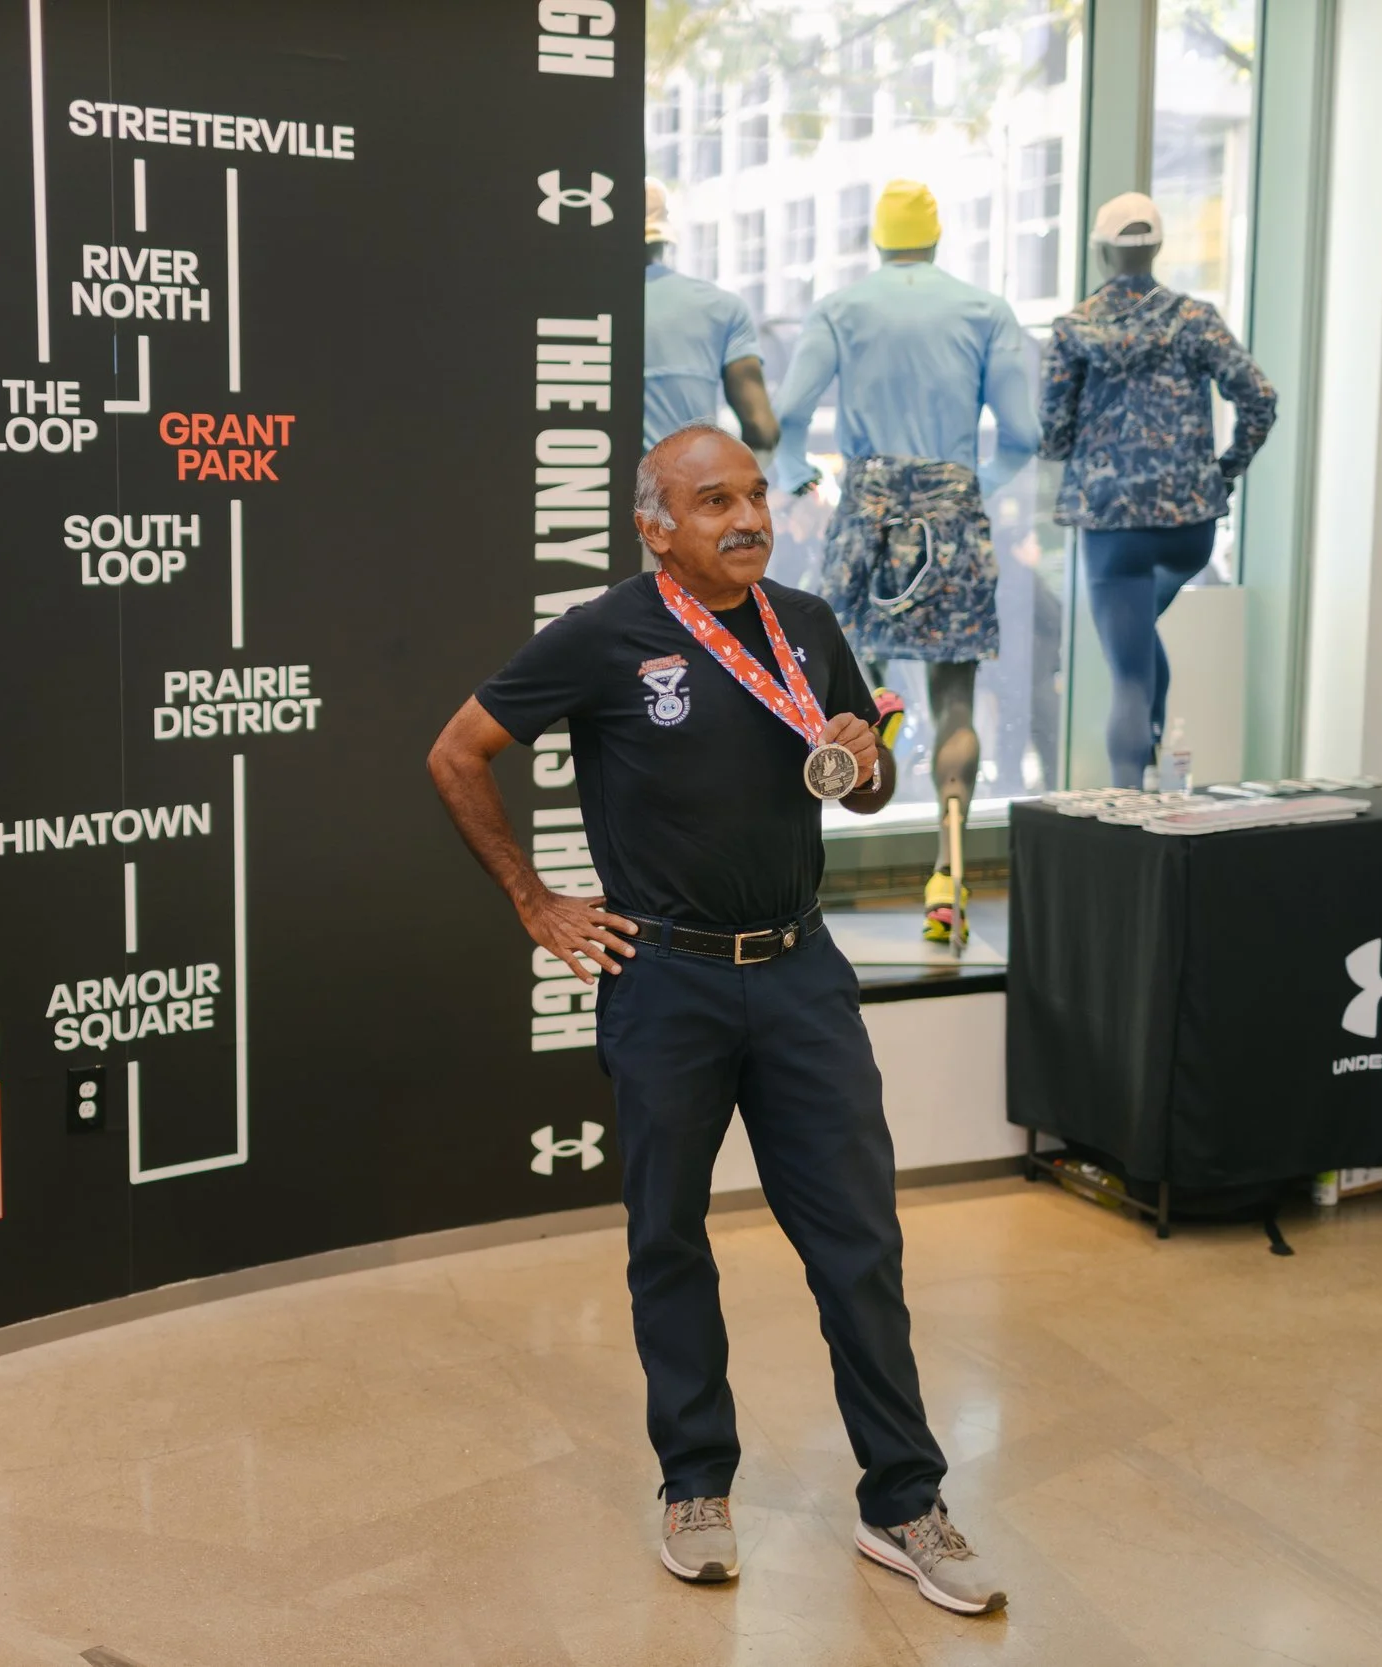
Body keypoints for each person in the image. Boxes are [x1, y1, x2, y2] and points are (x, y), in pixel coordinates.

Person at [424, 424, 1006, 1616]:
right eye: (711, 501)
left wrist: (866, 757)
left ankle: (903, 1500)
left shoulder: (808, 624)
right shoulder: (603, 636)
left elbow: (864, 785)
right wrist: (535, 899)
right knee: (669, 1239)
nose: (745, 518)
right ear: (654, 526)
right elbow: (457, 751)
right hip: (667, 982)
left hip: (799, 974)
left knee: (858, 1244)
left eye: (754, 495)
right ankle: (695, 1483)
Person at [772, 179, 1039, 942]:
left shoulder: (840, 308)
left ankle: (809, 865)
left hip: (868, 506)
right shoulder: (985, 310)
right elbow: (1022, 433)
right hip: (951, 510)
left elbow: (789, 414)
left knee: (843, 677)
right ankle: (947, 876)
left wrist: (799, 478)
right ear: (937, 237)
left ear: (879, 240)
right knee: (955, 696)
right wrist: (972, 486)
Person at [1041, 191, 1278, 788]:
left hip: (1112, 527)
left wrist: (1085, 451)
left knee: (1128, 672)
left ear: (1101, 251)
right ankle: (1154, 778)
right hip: (1187, 529)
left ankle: (1129, 805)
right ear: (1159, 247)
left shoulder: (1075, 329)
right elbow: (1260, 397)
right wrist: (1225, 470)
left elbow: (1054, 431)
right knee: (1139, 637)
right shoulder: (1195, 319)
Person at [643, 179, 779, 450]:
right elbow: (762, 429)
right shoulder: (722, 307)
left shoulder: (577, 308)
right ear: (664, 239)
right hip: (689, 475)